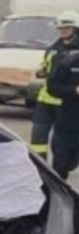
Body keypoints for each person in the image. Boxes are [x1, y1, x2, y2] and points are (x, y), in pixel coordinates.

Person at [31, 11, 79, 159]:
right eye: (61, 28)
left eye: (67, 28)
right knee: (38, 136)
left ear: (75, 29)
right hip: (45, 100)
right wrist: (42, 71)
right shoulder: (53, 48)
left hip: (67, 102)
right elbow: (46, 66)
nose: (63, 31)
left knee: (63, 140)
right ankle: (39, 165)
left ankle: (62, 165)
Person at [46, 47, 79, 180]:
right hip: (69, 120)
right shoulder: (70, 62)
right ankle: (58, 188)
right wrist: (74, 91)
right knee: (62, 162)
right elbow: (52, 87)